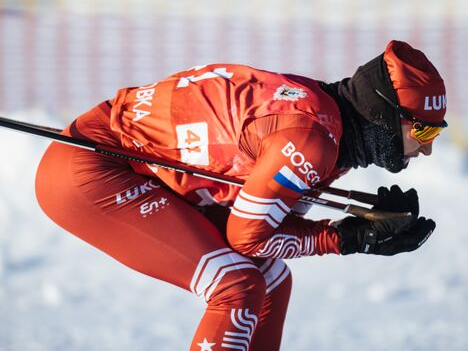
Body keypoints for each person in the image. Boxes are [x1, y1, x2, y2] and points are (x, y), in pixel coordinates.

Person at [35, 40, 446, 351]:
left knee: (270, 279)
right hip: (92, 168)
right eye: (424, 130)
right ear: (387, 116)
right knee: (237, 286)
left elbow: (266, 224)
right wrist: (345, 238)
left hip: (124, 160)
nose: (426, 147)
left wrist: (363, 226)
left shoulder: (328, 120)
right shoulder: (310, 139)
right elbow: (248, 237)